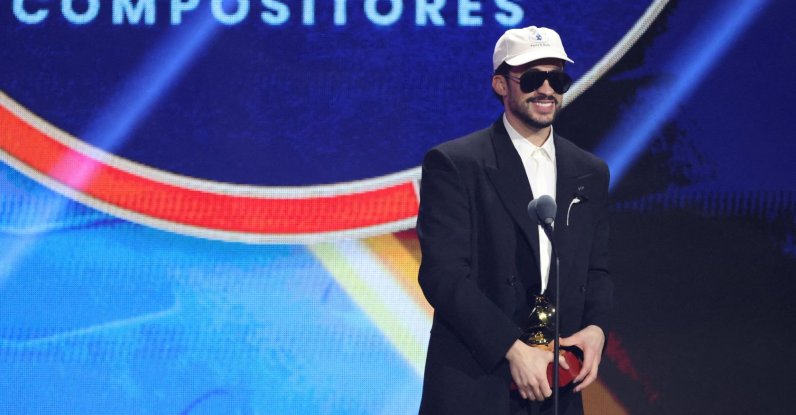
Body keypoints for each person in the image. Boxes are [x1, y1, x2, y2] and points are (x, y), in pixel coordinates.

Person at [417, 26, 613, 415]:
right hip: (477, 381)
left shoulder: (588, 171)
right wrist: (512, 349)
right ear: (500, 85)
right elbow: (443, 276)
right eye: (532, 79)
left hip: (557, 386)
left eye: (556, 78)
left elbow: (598, 269)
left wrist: (596, 329)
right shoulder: (457, 164)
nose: (546, 90)